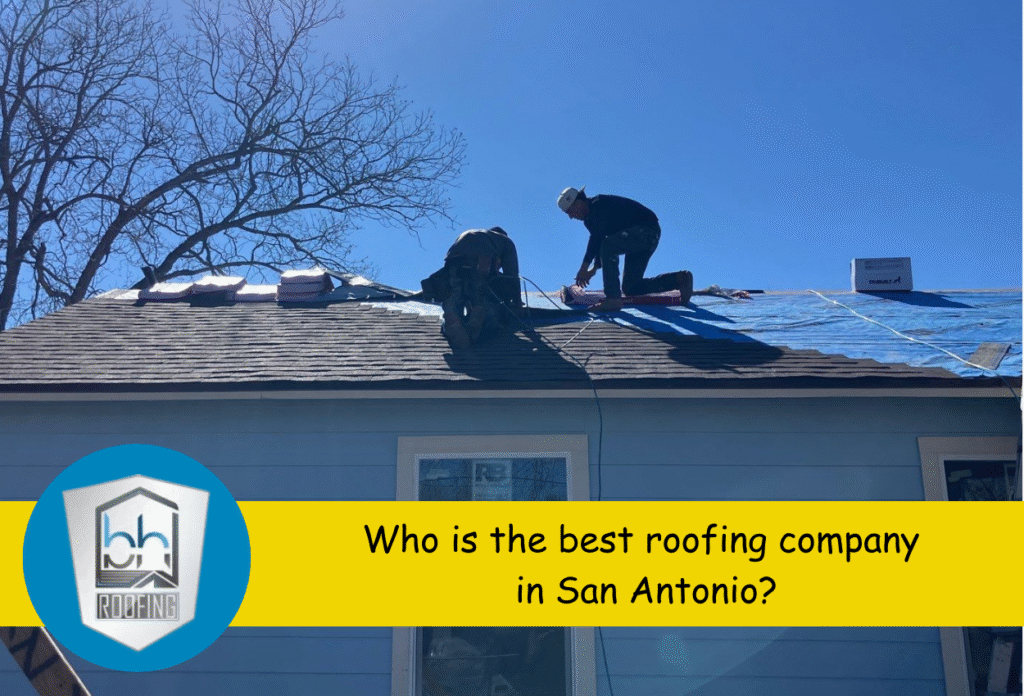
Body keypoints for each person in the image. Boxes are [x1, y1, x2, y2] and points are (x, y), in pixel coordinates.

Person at [557, 186, 693, 311]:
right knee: (631, 287)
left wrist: (583, 268)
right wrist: (593, 270)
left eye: (570, 211)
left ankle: (613, 299)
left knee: (609, 246)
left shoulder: (598, 204)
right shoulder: (590, 220)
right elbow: (599, 242)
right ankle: (679, 279)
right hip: (639, 237)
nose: (571, 217)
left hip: (647, 230)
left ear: (578, 203)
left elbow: (598, 239)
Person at [438, 227, 522, 349]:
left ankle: (453, 324)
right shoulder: (506, 242)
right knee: (485, 305)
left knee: (455, 301)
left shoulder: (475, 234)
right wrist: (517, 303)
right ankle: (476, 327)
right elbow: (512, 275)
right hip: (479, 262)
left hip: (453, 261)